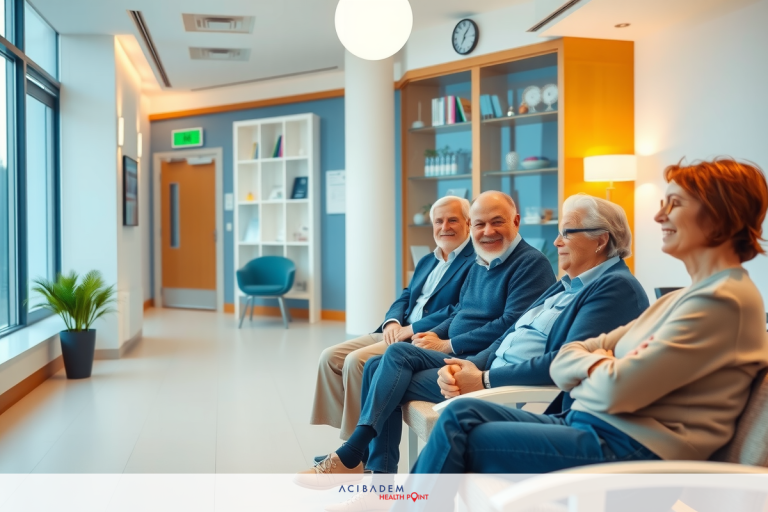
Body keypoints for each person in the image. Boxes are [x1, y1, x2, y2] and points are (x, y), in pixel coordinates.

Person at [411, 158, 768, 480]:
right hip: (595, 424)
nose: (659, 217)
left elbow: (616, 388)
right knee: (464, 414)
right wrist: (598, 363)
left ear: (719, 215)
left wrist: (589, 365)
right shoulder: (680, 297)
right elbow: (578, 354)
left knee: (460, 429)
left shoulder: (723, 301)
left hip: (632, 448)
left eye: (674, 204)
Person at [317, 194, 652, 511]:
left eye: (567, 233)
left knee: (401, 372)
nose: (557, 242)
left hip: (513, 386)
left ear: (601, 240)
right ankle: (378, 483)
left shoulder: (612, 286)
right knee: (382, 364)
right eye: (558, 232)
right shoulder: (566, 283)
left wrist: (481, 376)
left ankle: (356, 456)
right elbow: (510, 333)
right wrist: (468, 364)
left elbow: (564, 363)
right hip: (486, 365)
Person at [296, 190, 556, 489]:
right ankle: (376, 476)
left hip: (477, 361)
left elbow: (511, 324)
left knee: (393, 358)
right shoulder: (482, 261)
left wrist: (449, 344)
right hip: (455, 349)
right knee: (374, 367)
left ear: (516, 221)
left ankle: (354, 454)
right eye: (480, 224)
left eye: (497, 222)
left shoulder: (530, 264)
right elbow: (460, 311)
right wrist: (438, 333)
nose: (487, 231)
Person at [310, 196, 475, 440]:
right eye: (439, 221)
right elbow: (407, 295)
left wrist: (411, 328)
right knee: (329, 358)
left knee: (356, 362)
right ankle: (351, 431)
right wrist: (393, 321)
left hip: (421, 337)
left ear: (468, 223)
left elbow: (459, 309)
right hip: (397, 329)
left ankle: (356, 450)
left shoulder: (474, 261)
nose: (444, 227)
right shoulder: (428, 259)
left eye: (453, 220)